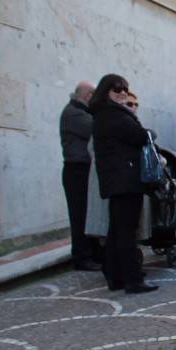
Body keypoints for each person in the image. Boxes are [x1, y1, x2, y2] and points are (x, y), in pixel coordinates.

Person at [90, 74, 158, 294]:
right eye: (117, 88)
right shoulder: (112, 114)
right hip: (125, 179)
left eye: (125, 89)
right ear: (106, 90)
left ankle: (116, 276)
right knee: (126, 231)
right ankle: (132, 279)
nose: (122, 93)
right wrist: (149, 132)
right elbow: (140, 135)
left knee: (117, 230)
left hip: (118, 178)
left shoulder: (106, 113)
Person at [60, 80, 101, 271]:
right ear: (87, 96)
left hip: (85, 169)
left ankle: (93, 253)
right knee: (79, 215)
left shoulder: (81, 112)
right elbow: (97, 129)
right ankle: (82, 257)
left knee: (88, 213)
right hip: (77, 170)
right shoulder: (74, 113)